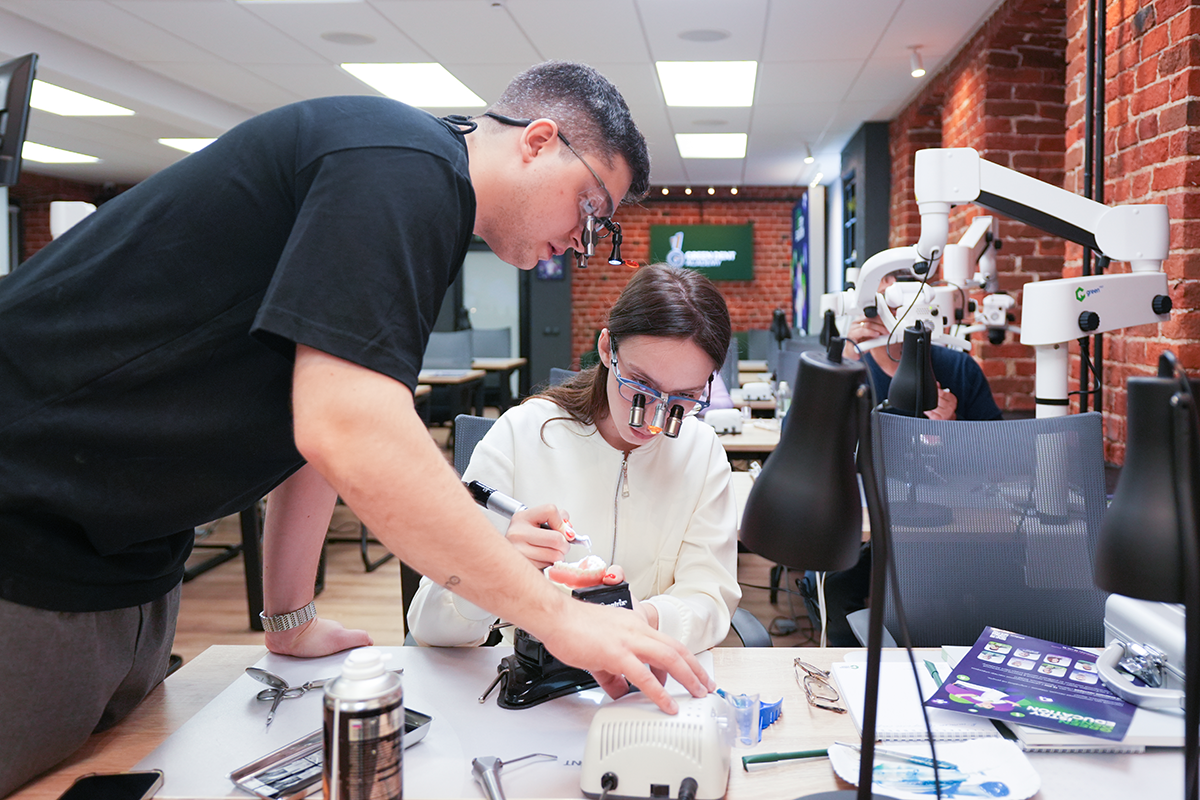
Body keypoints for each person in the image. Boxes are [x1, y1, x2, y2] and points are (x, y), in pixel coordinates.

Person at [0, 61, 713, 796]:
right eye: (591, 210)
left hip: (126, 561)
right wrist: (557, 617)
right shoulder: (402, 165)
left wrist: (289, 616)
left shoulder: (421, 204)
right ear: (537, 142)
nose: (581, 241)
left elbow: (314, 430)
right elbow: (352, 430)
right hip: (29, 521)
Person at [408, 264, 740, 653]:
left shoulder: (701, 452)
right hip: (536, 676)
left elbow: (709, 596)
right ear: (607, 349)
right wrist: (495, 570)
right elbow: (429, 624)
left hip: (646, 668)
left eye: (684, 398)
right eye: (640, 386)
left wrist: (645, 618)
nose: (653, 418)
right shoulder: (522, 433)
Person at [800, 271, 1003, 646]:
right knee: (834, 583)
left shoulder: (958, 370)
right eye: (878, 302)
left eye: (899, 302)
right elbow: (804, 445)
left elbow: (1000, 458)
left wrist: (953, 428)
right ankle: (853, 670)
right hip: (867, 527)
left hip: (949, 531)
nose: (888, 313)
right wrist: (841, 364)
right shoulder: (850, 368)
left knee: (991, 582)